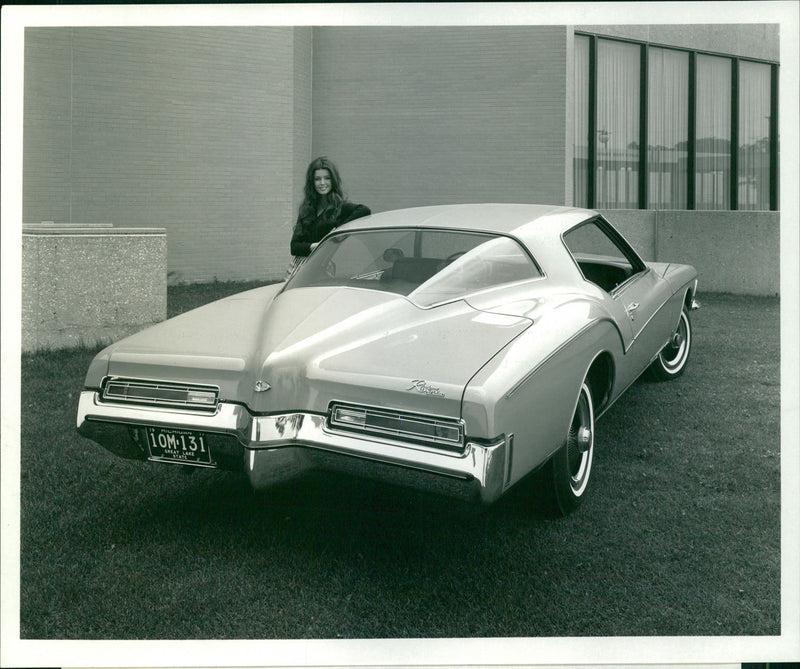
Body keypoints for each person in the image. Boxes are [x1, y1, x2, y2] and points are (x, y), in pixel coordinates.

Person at [286, 157, 370, 277]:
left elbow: (364, 210)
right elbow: (294, 247)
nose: (322, 183)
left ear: (333, 180)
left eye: (327, 178)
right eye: (317, 179)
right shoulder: (307, 208)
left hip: (321, 269)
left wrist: (338, 230)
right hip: (298, 269)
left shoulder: (340, 207)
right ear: (312, 182)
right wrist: (314, 246)